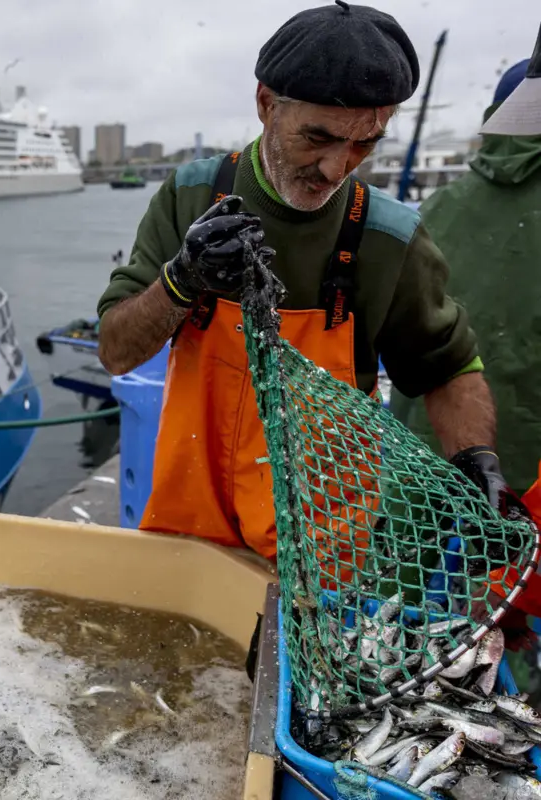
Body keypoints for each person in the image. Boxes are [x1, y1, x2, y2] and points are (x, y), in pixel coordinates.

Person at [97, 1, 517, 564]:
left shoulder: (389, 237)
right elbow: (116, 352)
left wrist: (475, 458)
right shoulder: (191, 196)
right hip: (191, 532)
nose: (335, 168)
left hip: (322, 553)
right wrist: (181, 278)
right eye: (317, 137)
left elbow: (447, 369)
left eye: (365, 144)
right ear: (267, 104)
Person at [392, 50, 541, 502]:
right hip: (520, 454)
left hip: (418, 436)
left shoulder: (439, 203)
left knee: (398, 567)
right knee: (503, 570)